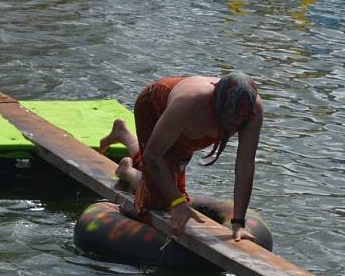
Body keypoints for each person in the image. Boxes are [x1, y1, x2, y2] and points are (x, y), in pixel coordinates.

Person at [98, 73, 262, 240]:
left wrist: (238, 222)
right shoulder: (189, 103)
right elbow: (153, 155)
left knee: (171, 180)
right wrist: (177, 203)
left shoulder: (250, 111)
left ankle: (123, 134)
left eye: (237, 126)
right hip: (154, 109)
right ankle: (127, 171)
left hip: (187, 131)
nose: (232, 130)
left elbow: (245, 165)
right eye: (227, 124)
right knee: (158, 201)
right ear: (215, 103)